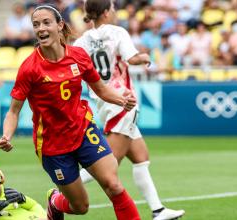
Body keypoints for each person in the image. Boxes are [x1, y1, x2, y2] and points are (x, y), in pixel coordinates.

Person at [0, 4, 140, 220]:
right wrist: (7, 134)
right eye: (36, 24)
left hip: (83, 130)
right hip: (53, 144)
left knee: (113, 185)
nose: (40, 28)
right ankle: (55, 201)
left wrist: (121, 99)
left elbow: (100, 89)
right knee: (81, 207)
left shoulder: (79, 56)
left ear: (59, 25)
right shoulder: (29, 68)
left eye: (46, 22)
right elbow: (13, 111)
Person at [73, 1, 185, 220]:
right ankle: (63, 188)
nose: (115, 11)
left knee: (141, 158)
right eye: (113, 8)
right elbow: (132, 58)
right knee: (108, 162)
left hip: (104, 102)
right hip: (124, 102)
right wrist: (144, 57)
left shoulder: (81, 41)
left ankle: (158, 210)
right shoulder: (117, 32)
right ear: (106, 12)